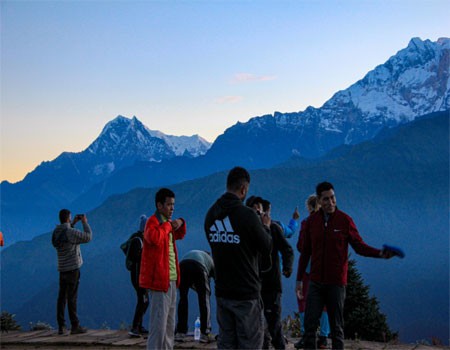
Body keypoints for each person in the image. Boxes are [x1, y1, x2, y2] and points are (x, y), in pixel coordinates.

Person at [297, 182, 395, 349]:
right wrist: (299, 279)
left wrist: (380, 253)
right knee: (309, 327)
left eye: (333, 197)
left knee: (337, 328)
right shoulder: (312, 222)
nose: (331, 202)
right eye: (326, 199)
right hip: (315, 282)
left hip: (336, 283)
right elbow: (305, 252)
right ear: (320, 201)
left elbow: (359, 246)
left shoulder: (344, 220)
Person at [204, 166, 272, 349]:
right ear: (243, 189)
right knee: (250, 344)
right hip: (246, 294)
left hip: (223, 292)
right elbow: (266, 246)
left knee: (226, 344)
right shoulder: (247, 216)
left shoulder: (211, 215)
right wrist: (265, 226)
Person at [139, 188, 186, 350]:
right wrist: (168, 225)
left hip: (171, 279)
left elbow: (180, 234)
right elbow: (154, 238)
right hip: (159, 282)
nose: (172, 208)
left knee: (169, 325)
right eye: (168, 204)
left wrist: (180, 222)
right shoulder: (153, 222)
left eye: (173, 204)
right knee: (158, 326)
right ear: (159, 205)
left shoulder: (166, 223)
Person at [257, 198, 294, 350]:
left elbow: (287, 249)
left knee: (273, 325)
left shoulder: (274, 228)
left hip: (272, 284)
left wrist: (287, 267)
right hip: (255, 284)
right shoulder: (251, 229)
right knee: (259, 326)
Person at [295, 194, 330, 349]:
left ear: (309, 206)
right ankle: (323, 337)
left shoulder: (306, 223)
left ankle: (306, 335)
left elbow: (301, 246)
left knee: (303, 300)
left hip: (309, 268)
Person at [51, 210, 92, 335]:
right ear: (68, 218)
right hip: (73, 269)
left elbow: (65, 235)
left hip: (62, 269)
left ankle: (61, 326)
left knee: (61, 298)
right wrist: (85, 223)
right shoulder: (70, 232)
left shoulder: (56, 232)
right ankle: (75, 326)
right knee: (72, 298)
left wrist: (72, 223)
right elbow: (88, 237)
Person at [175, 250, 215, 343]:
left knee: (183, 298)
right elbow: (217, 282)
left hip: (182, 266)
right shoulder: (211, 262)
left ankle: (181, 332)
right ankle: (205, 332)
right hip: (199, 267)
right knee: (204, 300)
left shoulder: (196, 254)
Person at [127, 215, 149, 338]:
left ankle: (138, 326)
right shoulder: (138, 240)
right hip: (138, 276)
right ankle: (135, 327)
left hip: (139, 276)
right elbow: (136, 259)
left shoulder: (139, 239)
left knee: (143, 301)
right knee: (143, 301)